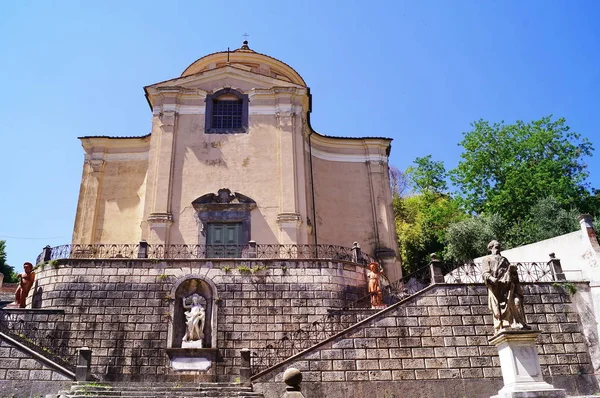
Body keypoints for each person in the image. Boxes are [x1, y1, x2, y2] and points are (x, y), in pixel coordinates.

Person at [481, 240, 530, 333]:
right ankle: (502, 325)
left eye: (499, 248)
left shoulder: (504, 260)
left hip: (507, 287)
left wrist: (513, 271)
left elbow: (510, 273)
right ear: (490, 248)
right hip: (496, 288)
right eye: (496, 247)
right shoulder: (487, 260)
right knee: (497, 310)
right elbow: (485, 273)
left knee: (517, 302)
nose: (498, 250)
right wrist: (491, 278)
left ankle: (519, 322)